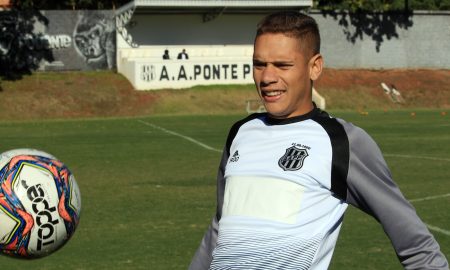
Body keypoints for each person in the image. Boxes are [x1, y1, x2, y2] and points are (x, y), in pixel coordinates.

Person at [189, 11, 448, 270]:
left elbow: (417, 248)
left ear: (315, 67)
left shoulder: (341, 141)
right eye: (259, 64)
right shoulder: (240, 134)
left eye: (282, 65)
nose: (267, 77)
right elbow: (220, 228)